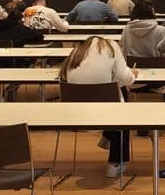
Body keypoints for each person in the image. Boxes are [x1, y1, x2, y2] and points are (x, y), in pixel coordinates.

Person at [59, 37, 138, 178]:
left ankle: (108, 137)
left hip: (74, 112)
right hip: (106, 110)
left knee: (113, 94)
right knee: (122, 103)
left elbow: (64, 77)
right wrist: (133, 75)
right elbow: (124, 77)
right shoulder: (112, 48)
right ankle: (115, 162)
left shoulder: (76, 52)